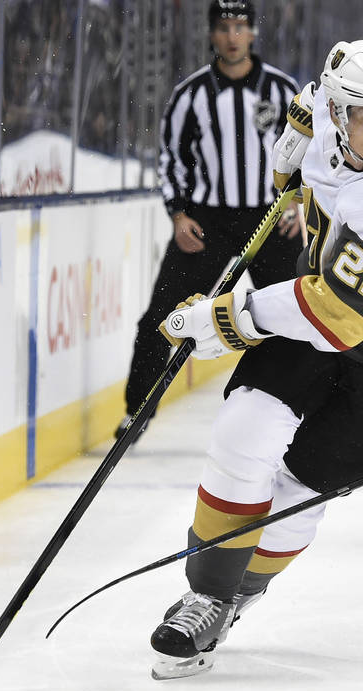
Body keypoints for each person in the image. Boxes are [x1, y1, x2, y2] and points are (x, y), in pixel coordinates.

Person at [148, 35, 363, 679]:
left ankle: (236, 593)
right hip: (334, 295)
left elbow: (341, 316)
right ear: (339, 108)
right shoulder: (348, 93)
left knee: (301, 484)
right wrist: (297, 142)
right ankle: (205, 594)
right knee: (244, 427)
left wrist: (228, 319)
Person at [115, 0, 302, 442]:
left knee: (302, 313)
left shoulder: (281, 89)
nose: (232, 36)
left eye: (240, 26)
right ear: (212, 34)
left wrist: (299, 204)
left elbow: (307, 153)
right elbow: (171, 159)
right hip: (206, 222)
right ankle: (137, 411)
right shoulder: (191, 94)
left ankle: (306, 403)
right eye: (223, 27)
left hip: (271, 219)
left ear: (253, 33)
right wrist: (178, 214)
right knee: (160, 318)